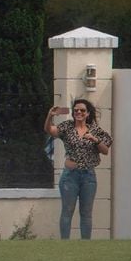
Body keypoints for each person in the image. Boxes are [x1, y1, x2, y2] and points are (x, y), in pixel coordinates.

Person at [45, 98, 112, 240]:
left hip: (88, 176)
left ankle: (85, 245)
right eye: (76, 110)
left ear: (87, 113)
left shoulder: (95, 130)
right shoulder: (67, 127)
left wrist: (95, 140)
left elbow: (105, 150)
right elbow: (50, 130)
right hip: (70, 176)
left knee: (86, 213)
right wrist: (50, 116)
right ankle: (65, 244)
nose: (78, 112)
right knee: (67, 211)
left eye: (82, 110)